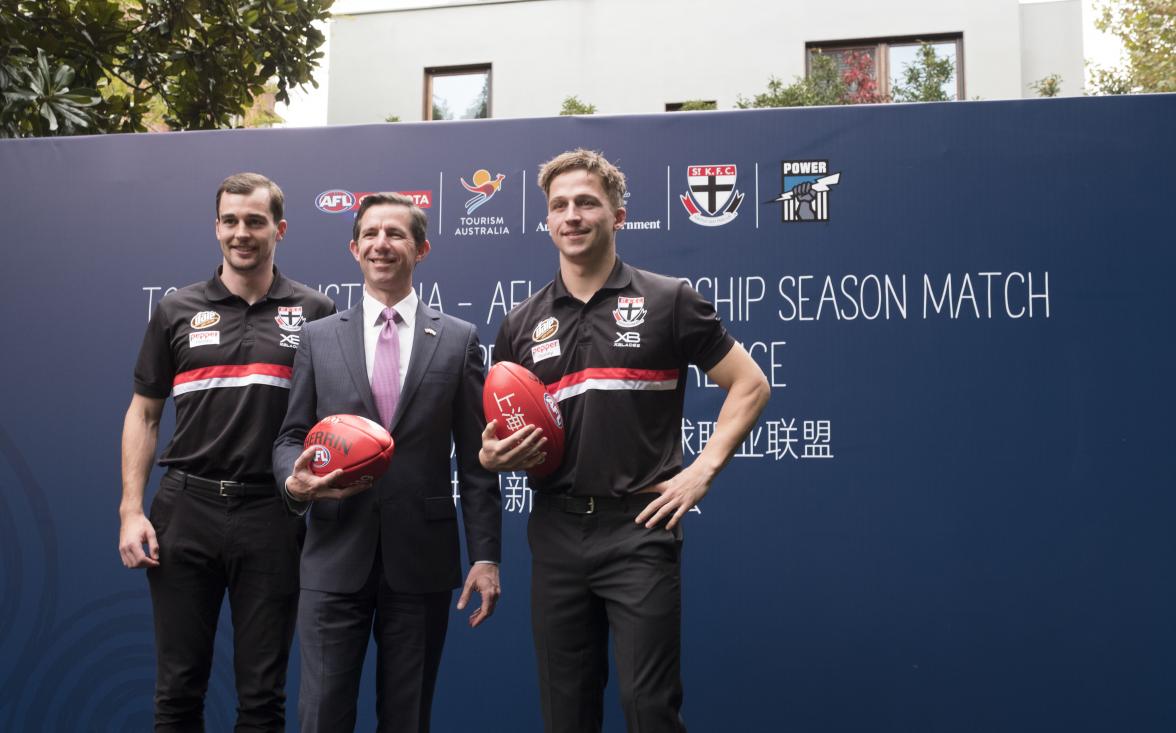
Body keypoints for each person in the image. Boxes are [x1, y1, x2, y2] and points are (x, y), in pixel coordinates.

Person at [479, 149, 771, 733]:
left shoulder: (669, 299)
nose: (572, 215)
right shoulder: (520, 321)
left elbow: (750, 384)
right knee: (566, 712)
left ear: (619, 214)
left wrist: (703, 468)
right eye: (559, 205)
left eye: (587, 202)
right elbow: (495, 436)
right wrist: (491, 455)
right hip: (556, 530)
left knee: (649, 707)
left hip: (640, 530)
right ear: (546, 221)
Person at [274, 192, 501, 733]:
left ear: (421, 249)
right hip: (333, 554)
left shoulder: (458, 339)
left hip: (421, 559)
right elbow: (289, 436)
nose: (382, 244)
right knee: (322, 717)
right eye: (371, 234)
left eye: (396, 234)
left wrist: (486, 556)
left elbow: (476, 462)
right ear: (353, 248)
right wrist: (296, 483)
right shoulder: (318, 337)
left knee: (407, 718)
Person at [118, 172, 336, 731]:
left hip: (273, 514)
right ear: (216, 227)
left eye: (255, 221)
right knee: (178, 692)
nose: (242, 233)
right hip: (184, 512)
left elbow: (334, 419)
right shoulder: (175, 311)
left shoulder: (316, 311)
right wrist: (131, 510)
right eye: (231, 221)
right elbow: (144, 413)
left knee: (263, 699)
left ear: (279, 229)